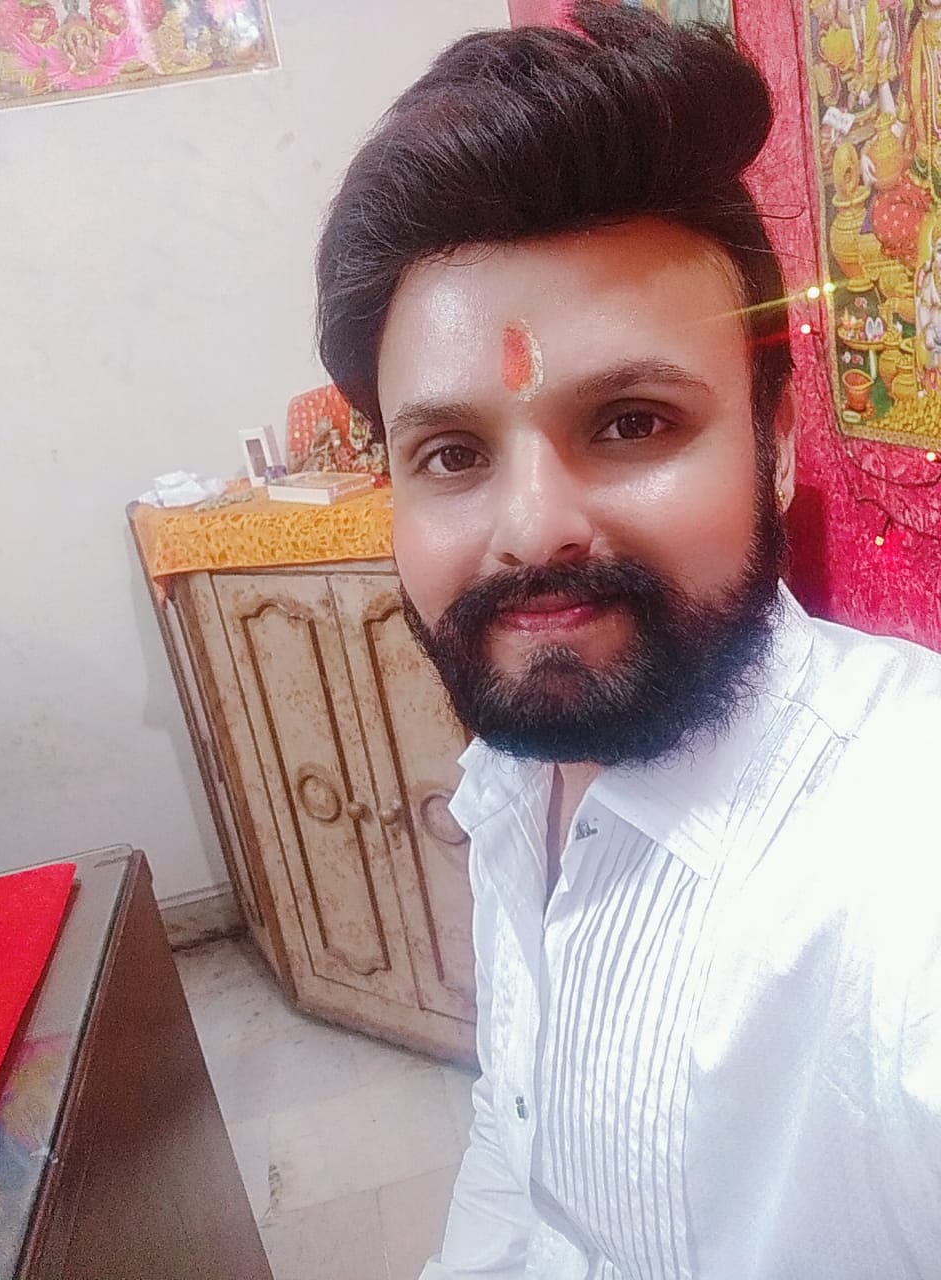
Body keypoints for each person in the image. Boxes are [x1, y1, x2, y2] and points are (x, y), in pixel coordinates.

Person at [315, 4, 941, 1277]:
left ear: (775, 447)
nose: (531, 527)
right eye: (452, 452)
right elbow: (517, 1165)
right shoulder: (512, 780)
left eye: (634, 422)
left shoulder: (898, 869)